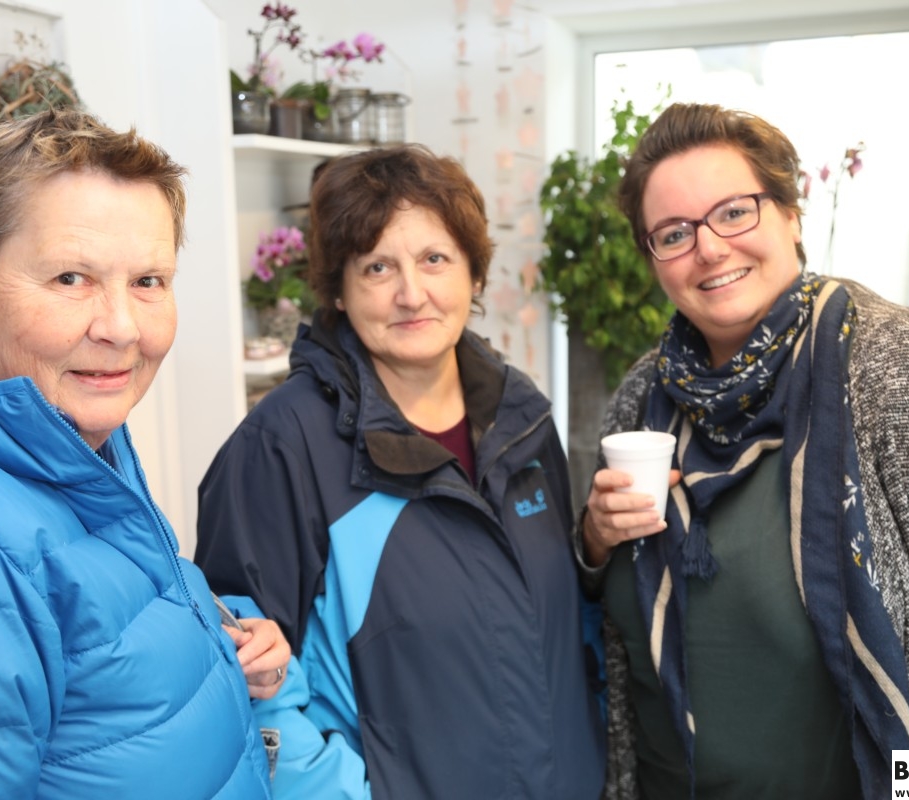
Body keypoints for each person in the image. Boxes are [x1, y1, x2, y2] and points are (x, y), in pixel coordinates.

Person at [0, 109, 289, 798]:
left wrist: (222, 636)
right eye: (71, 278)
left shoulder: (50, 424)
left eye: (148, 281)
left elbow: (89, 626)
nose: (121, 328)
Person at [577, 102, 909, 800]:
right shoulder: (643, 398)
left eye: (734, 212)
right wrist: (594, 544)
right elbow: (609, 626)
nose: (709, 248)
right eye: (674, 233)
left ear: (790, 216)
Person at [195, 143, 607, 799]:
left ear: (474, 275)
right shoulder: (281, 446)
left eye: (434, 259)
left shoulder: (521, 418)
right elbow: (241, 674)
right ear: (338, 290)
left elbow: (571, 627)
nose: (411, 294)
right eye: (377, 267)